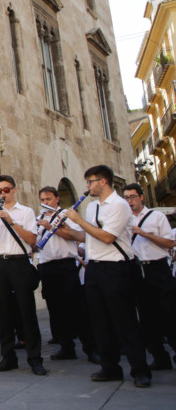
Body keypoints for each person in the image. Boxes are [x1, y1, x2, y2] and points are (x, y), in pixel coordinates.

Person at [64, 166, 152, 388]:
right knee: (99, 322)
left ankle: (140, 370)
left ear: (103, 181)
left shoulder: (120, 206)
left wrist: (79, 220)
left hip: (116, 269)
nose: (88, 187)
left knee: (124, 320)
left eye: (90, 182)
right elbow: (88, 236)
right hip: (95, 268)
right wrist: (63, 229)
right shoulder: (93, 206)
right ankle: (110, 367)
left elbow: (107, 236)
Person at [0, 175, 46, 375]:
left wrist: (11, 222)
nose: (3, 193)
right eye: (0, 190)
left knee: (26, 311)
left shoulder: (26, 212)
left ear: (14, 190)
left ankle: (35, 358)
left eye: (6, 190)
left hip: (19, 261)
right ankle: (8, 357)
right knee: (2, 313)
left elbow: (31, 239)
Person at [35, 186, 97, 364]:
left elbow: (76, 237)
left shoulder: (67, 215)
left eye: (48, 199)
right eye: (43, 200)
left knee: (76, 308)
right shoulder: (38, 219)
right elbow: (35, 244)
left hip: (66, 265)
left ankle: (91, 349)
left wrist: (54, 228)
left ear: (56, 199)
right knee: (56, 310)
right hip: (47, 265)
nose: (45, 203)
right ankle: (66, 347)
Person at [123, 183, 176, 370]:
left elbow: (169, 242)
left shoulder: (156, 216)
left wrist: (144, 234)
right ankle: (159, 356)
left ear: (141, 197)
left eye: (133, 197)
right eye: (127, 198)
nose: (130, 201)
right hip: (137, 270)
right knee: (146, 317)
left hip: (158, 268)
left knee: (169, 313)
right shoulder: (125, 219)